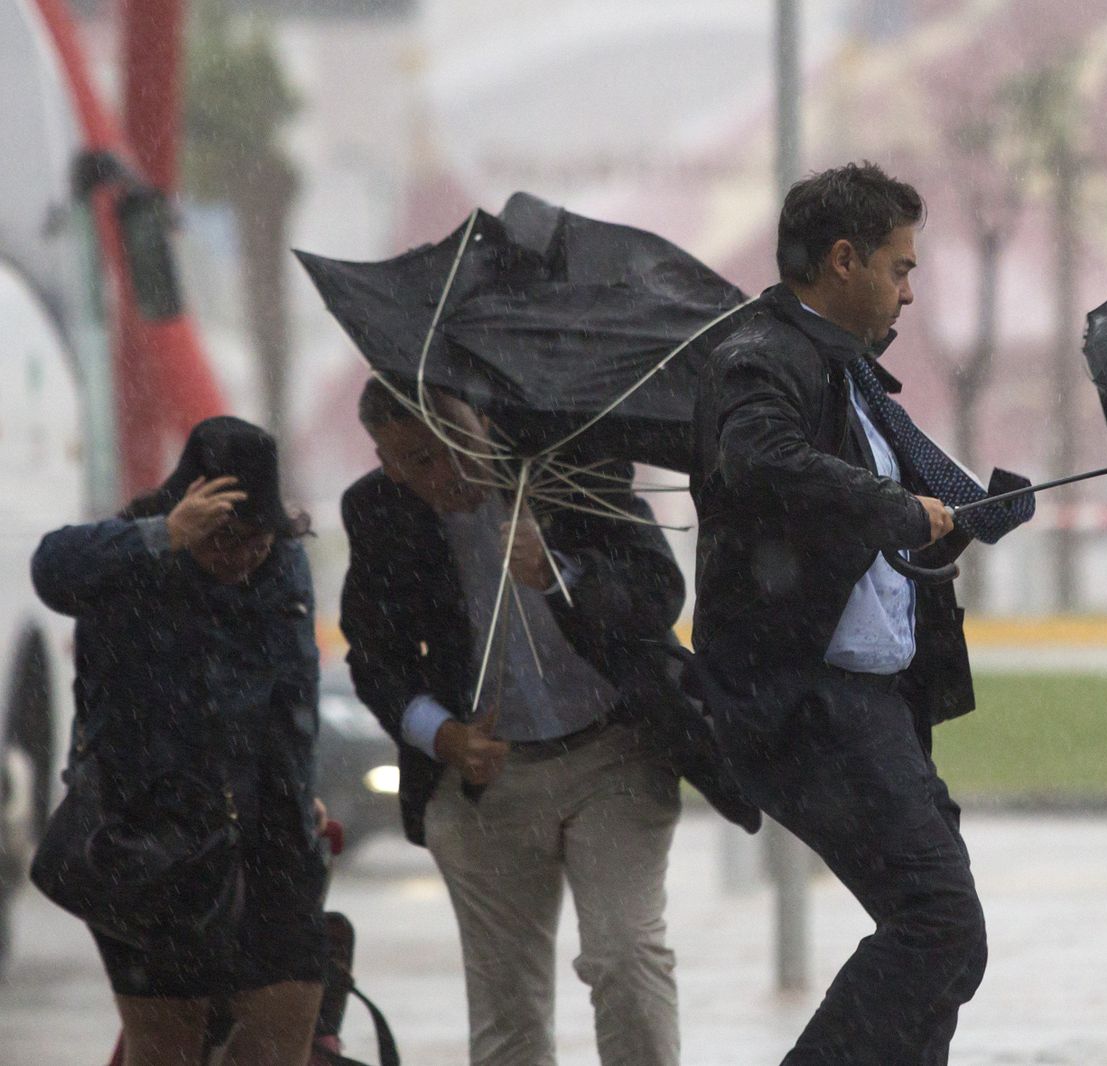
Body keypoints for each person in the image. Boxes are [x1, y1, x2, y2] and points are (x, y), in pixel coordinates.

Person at [690, 161, 986, 1065]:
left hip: (871, 704)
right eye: (901, 268)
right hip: (810, 703)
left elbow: (842, 529)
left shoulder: (844, 370)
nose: (909, 290)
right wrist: (894, 508)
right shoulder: (761, 358)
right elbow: (764, 461)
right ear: (844, 261)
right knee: (939, 926)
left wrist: (928, 537)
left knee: (939, 940)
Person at [341, 381, 714, 1066]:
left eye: (456, 443)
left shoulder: (571, 467)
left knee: (625, 959)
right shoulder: (377, 510)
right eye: (418, 461)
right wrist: (441, 734)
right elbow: (374, 654)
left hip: (614, 754)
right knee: (507, 1009)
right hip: (484, 781)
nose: (445, 472)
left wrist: (559, 573)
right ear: (388, 464)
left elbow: (657, 592)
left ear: (483, 418)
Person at [32, 416, 326, 1066]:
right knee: (165, 1045)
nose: (239, 554)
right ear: (186, 509)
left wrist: (302, 791)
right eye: (220, 537)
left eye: (254, 538)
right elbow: (51, 570)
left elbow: (296, 696)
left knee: (283, 1040)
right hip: (150, 840)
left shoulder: (284, 569)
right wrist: (162, 537)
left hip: (271, 837)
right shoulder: (130, 559)